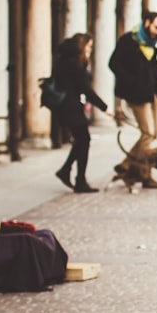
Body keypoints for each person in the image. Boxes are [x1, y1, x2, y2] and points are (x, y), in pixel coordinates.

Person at [109, 11, 157, 188]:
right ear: (147, 23)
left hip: (150, 94)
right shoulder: (129, 40)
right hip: (136, 96)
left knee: (152, 134)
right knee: (148, 133)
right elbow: (114, 64)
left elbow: (153, 69)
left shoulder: (151, 44)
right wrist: (131, 83)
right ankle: (142, 173)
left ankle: (127, 165)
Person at [53, 33, 115, 193]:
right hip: (72, 107)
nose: (90, 50)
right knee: (83, 140)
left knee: (82, 140)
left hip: (65, 107)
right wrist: (105, 107)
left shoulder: (62, 61)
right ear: (82, 47)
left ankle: (68, 171)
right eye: (89, 46)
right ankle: (79, 180)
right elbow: (86, 90)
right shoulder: (77, 64)